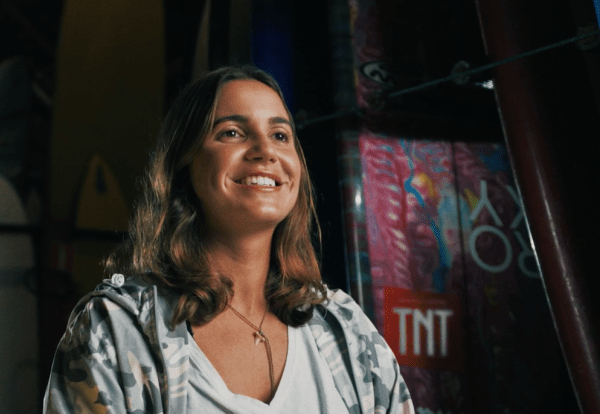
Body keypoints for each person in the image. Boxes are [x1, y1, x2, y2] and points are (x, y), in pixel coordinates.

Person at [43, 66, 414, 413]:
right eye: (232, 133)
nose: (265, 151)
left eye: (280, 135)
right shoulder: (117, 330)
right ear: (183, 165)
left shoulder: (347, 329)